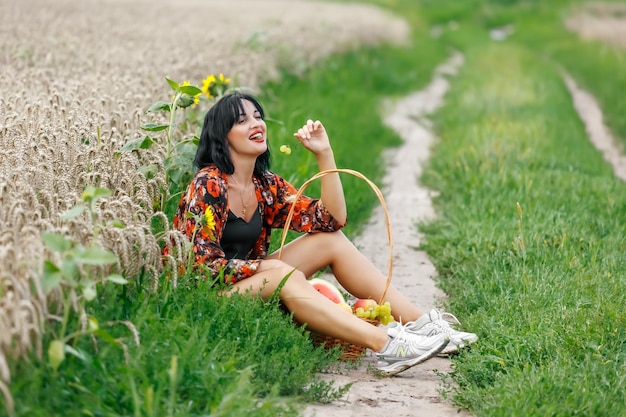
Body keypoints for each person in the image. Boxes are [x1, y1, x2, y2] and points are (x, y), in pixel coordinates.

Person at [172, 91, 477, 376]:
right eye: (242, 121)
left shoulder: (264, 185)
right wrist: (266, 267)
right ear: (222, 136)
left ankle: (423, 326)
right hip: (211, 295)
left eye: (257, 116)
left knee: (329, 241)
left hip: (251, 281)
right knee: (278, 273)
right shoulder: (208, 184)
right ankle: (386, 344)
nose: (256, 124)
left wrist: (325, 154)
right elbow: (202, 266)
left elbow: (331, 220)